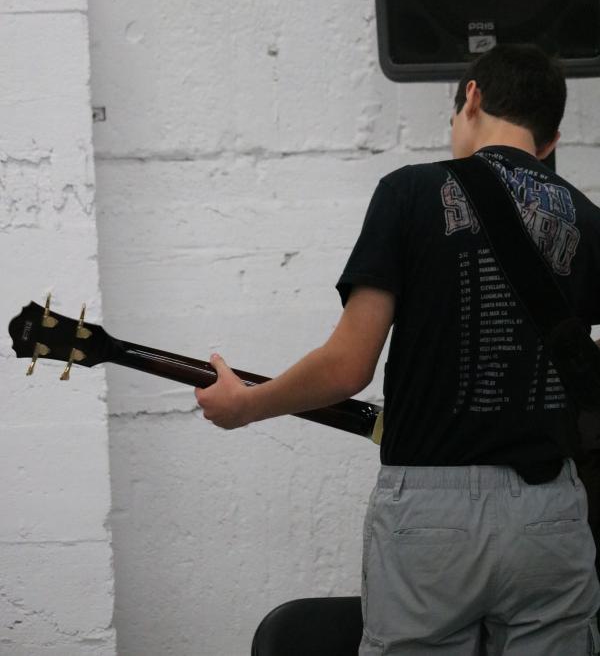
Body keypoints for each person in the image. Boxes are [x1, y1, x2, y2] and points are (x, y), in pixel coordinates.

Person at [195, 43, 600, 654]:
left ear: (471, 97)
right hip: (552, 514)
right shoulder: (589, 221)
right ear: (551, 141)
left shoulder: (410, 192)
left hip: (433, 517)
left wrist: (247, 404)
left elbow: (348, 366)